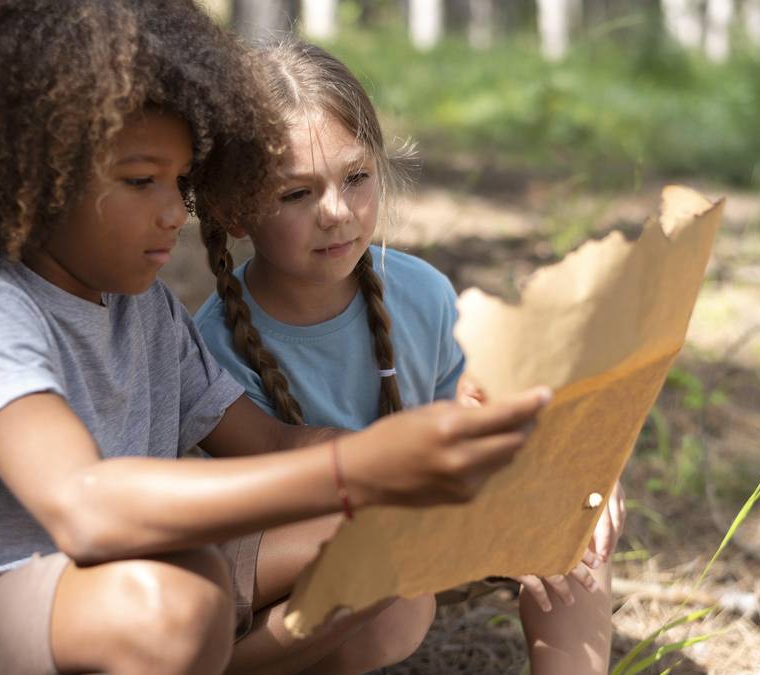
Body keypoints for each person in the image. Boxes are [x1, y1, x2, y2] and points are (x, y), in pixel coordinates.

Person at [0, 3, 551, 674]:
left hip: (101, 597)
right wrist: (360, 467)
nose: (173, 212)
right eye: (139, 181)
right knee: (171, 601)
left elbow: (274, 447)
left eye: (180, 182)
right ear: (31, 178)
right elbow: (86, 507)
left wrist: (431, 459)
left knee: (380, 539)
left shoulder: (146, 312)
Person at [194, 40, 624, 674]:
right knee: (391, 602)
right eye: (296, 195)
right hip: (323, 580)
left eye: (356, 177)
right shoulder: (216, 350)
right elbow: (288, 520)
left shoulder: (419, 292)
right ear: (234, 211)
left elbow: (478, 414)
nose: (337, 213)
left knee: (580, 506)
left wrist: (570, 465)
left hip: (433, 537)